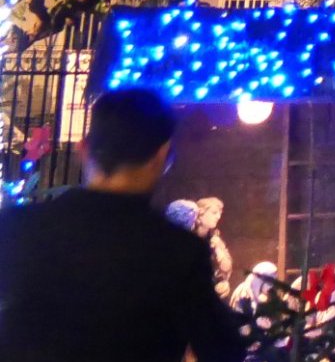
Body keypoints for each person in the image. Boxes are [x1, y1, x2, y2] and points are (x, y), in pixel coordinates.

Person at [0, 87, 243, 362]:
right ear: (163, 155)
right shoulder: (179, 252)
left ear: (84, 149)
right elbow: (222, 347)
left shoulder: (19, 228)